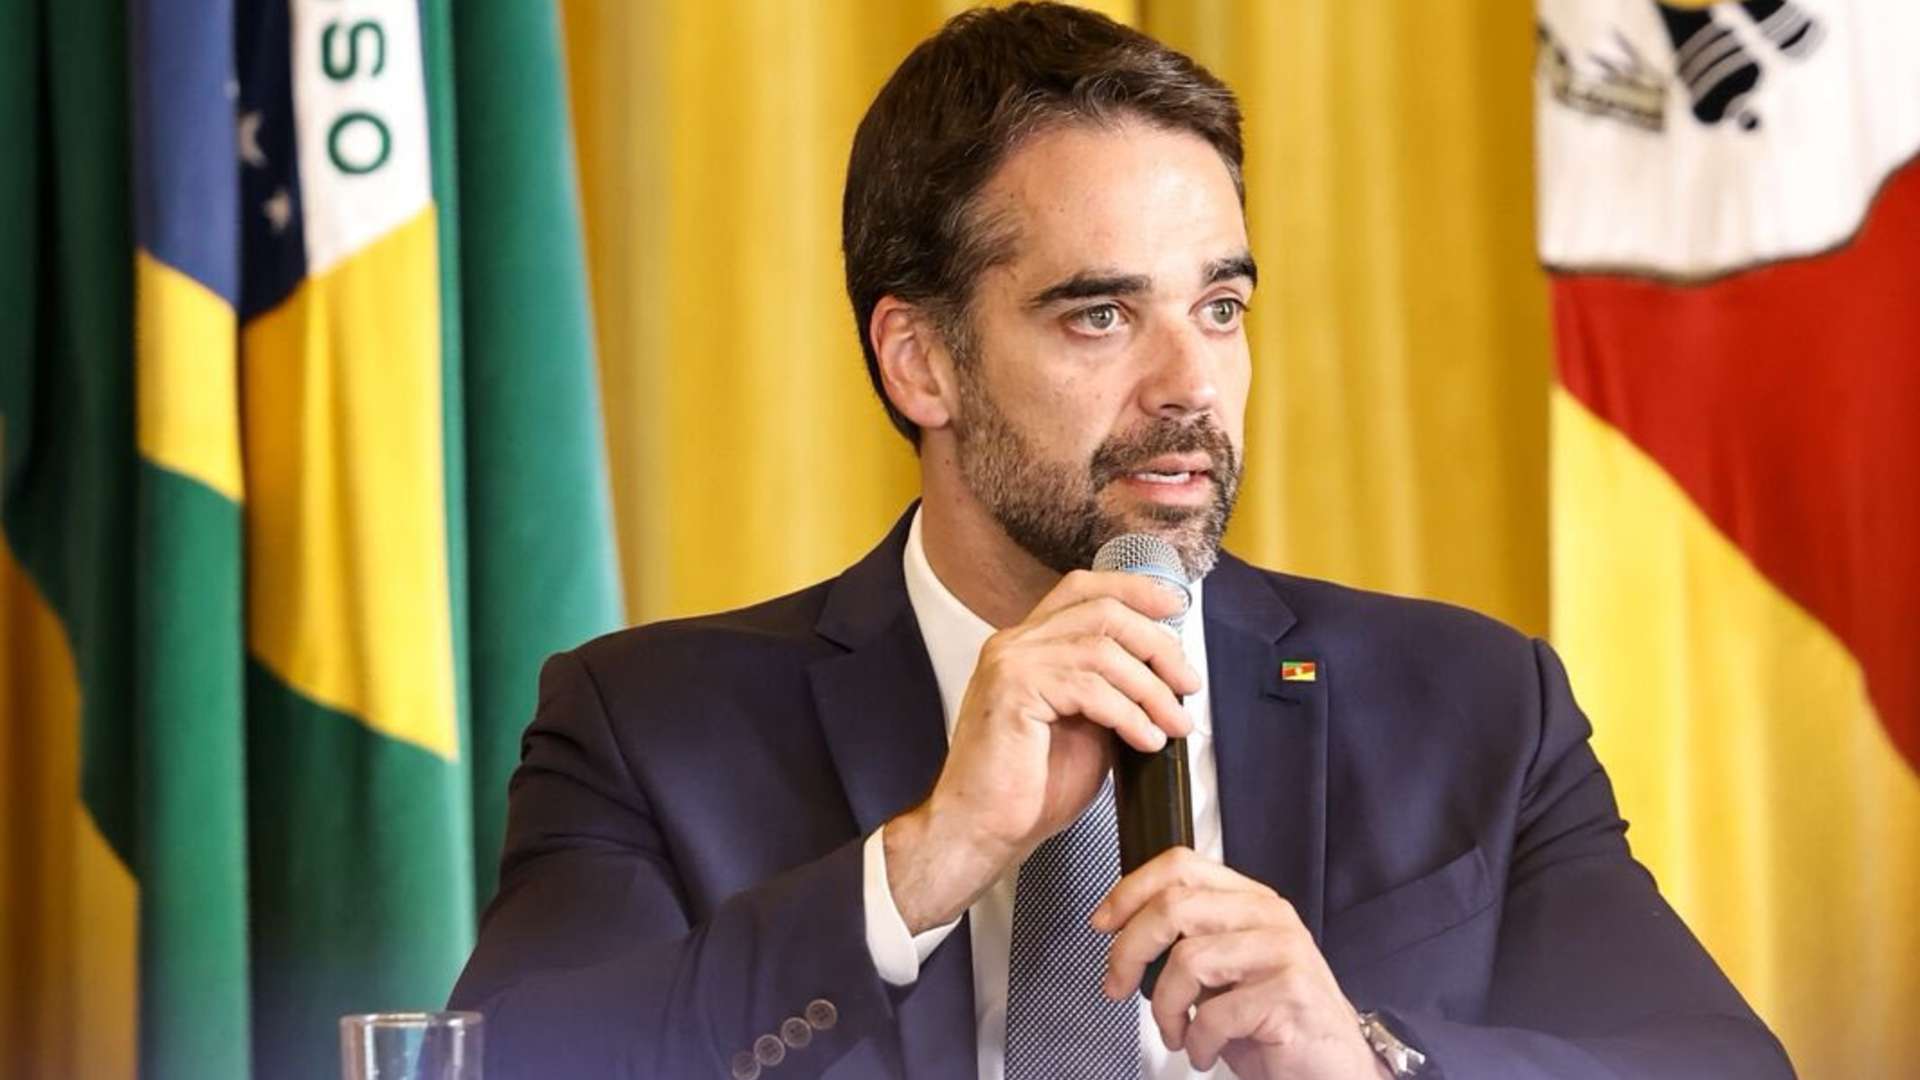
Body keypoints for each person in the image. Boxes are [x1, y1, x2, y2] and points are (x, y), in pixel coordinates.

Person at [449, 5, 1793, 1078]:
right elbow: (510, 1066)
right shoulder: (650, 727)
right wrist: (919, 868)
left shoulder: (1476, 705)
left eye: (1220, 307)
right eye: (1100, 316)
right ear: (920, 361)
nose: (1190, 386)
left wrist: (1365, 1060)